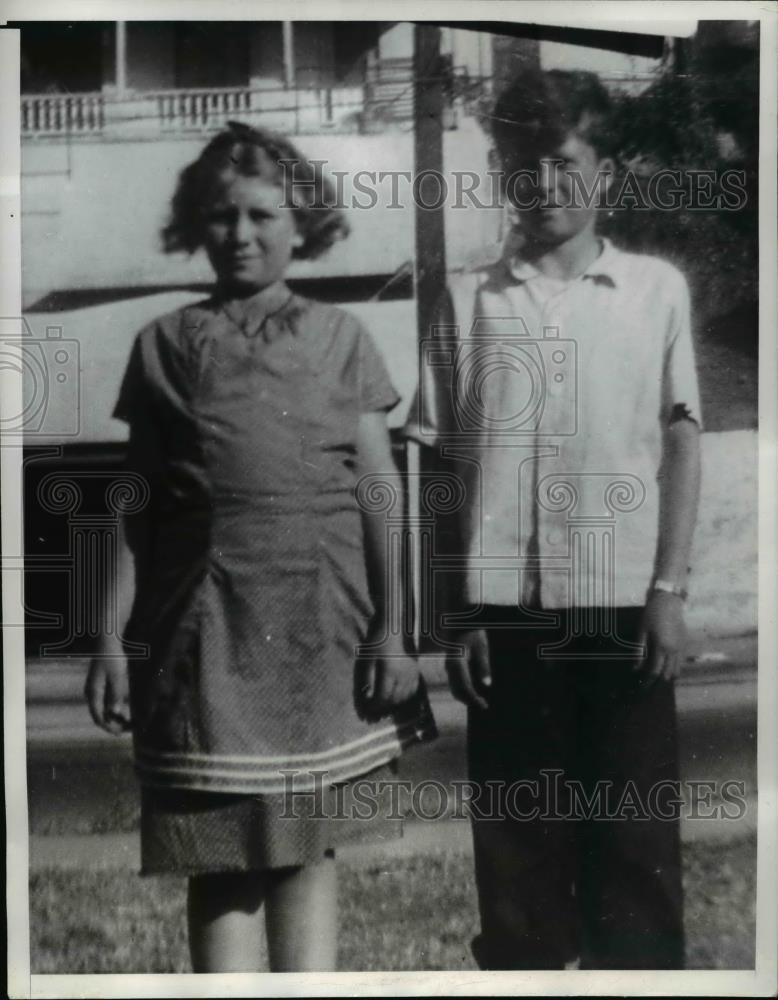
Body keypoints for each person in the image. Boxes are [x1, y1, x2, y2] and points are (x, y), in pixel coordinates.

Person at [86, 121, 435, 973]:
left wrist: (395, 629)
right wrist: (108, 640)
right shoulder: (162, 345)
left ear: (302, 221)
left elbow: (378, 489)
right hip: (203, 633)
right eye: (220, 215)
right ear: (193, 225)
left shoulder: (343, 339)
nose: (240, 234)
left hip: (321, 630)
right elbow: (137, 505)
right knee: (218, 863)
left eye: (262, 215)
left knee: (305, 855)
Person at [405, 70, 701, 970]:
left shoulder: (654, 291)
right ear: (502, 173)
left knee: (633, 857)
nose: (545, 184)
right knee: (520, 867)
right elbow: (438, 468)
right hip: (508, 620)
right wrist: (457, 614)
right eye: (524, 165)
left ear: (602, 171)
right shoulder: (465, 300)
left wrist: (668, 590)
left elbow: (683, 444)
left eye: (565, 162)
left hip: (622, 611)